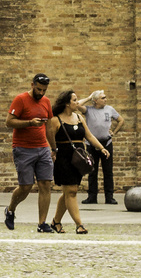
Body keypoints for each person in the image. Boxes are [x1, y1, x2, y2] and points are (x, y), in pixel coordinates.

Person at [48, 91, 108, 234]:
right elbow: (48, 137)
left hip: (78, 159)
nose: (77, 102)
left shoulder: (80, 118)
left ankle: (56, 222)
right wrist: (52, 151)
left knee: (68, 192)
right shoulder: (56, 120)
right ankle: (79, 225)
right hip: (63, 158)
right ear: (67, 103)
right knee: (72, 191)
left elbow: (89, 135)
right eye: (75, 100)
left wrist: (101, 148)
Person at [4, 73, 57, 233]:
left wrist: (53, 148)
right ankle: (11, 210)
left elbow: (48, 127)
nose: (41, 93)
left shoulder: (46, 102)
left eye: (44, 90)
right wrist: (29, 123)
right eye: (39, 89)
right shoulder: (20, 99)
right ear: (32, 84)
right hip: (23, 149)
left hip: (42, 149)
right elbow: (9, 122)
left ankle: (42, 223)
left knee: (45, 184)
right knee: (26, 186)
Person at [82, 90, 124, 204]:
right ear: (95, 100)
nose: (105, 99)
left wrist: (114, 132)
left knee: (108, 171)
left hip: (106, 143)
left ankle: (109, 197)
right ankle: (92, 197)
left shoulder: (109, 109)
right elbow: (76, 106)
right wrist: (88, 97)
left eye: (105, 97)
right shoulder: (88, 110)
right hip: (92, 144)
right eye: (102, 98)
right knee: (92, 171)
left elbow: (120, 120)